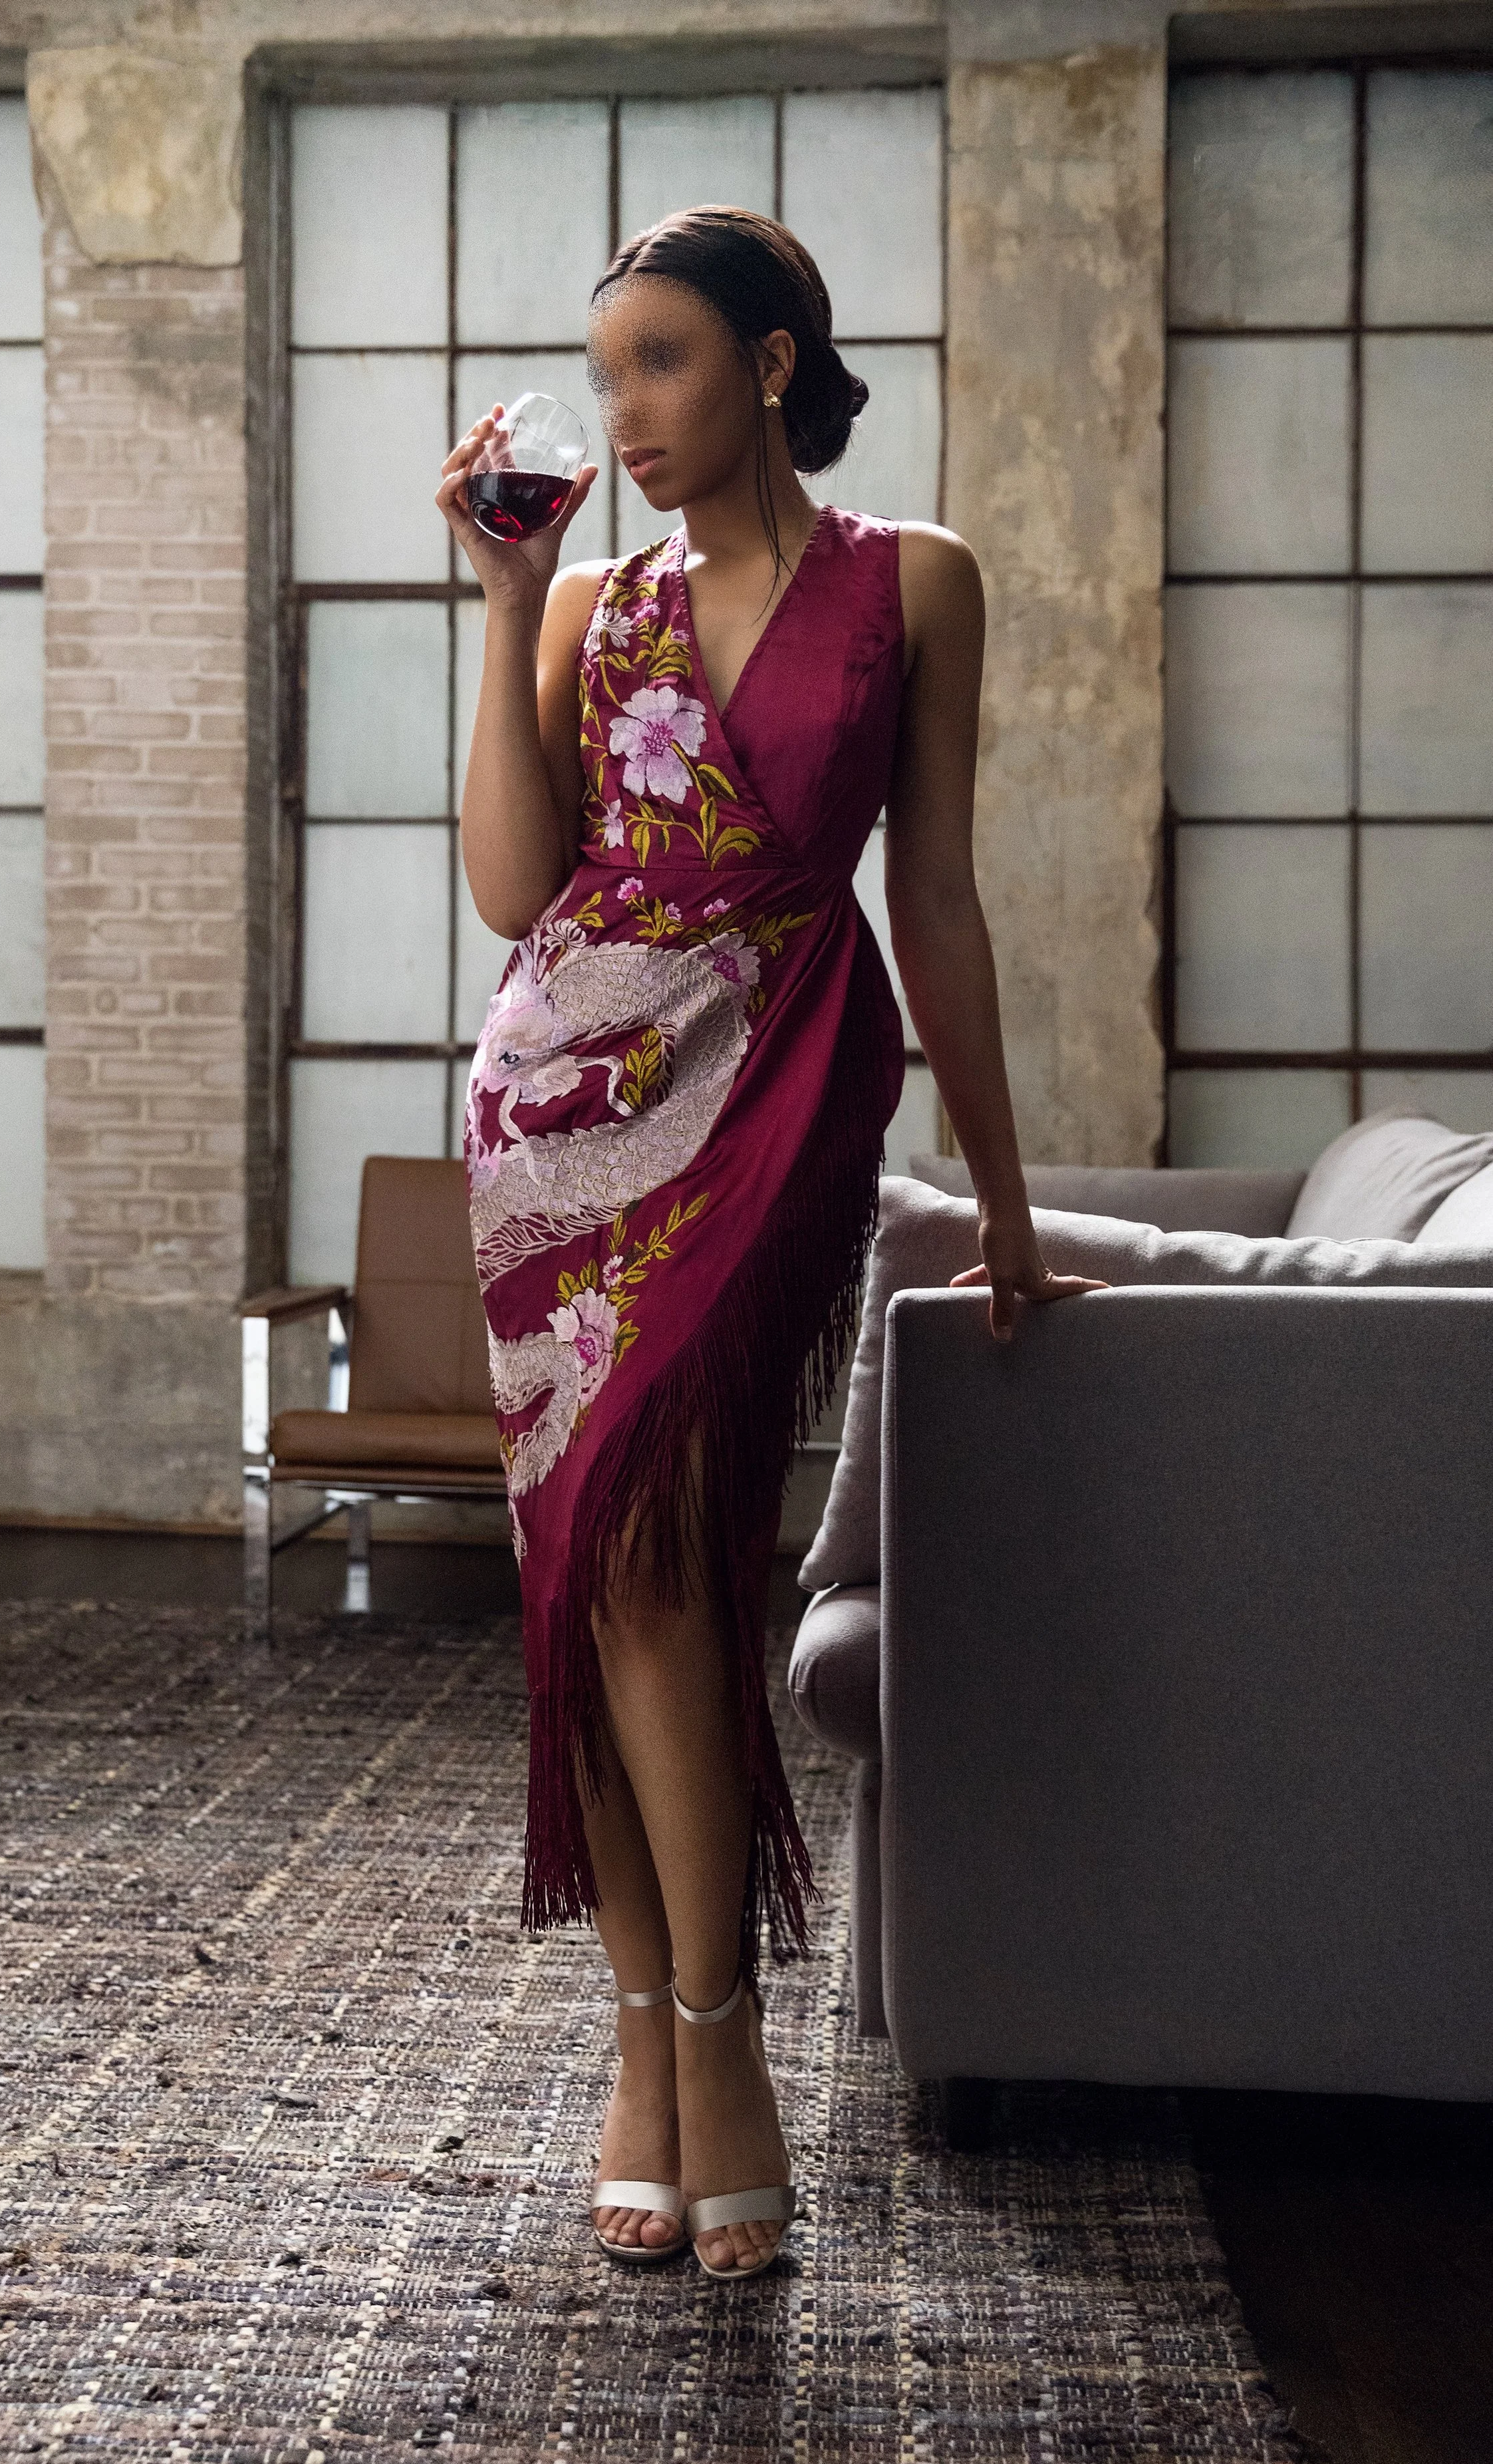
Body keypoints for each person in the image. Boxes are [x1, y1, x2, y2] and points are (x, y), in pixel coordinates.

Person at [436, 206, 1103, 2282]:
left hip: (789, 1080)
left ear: (774, 359)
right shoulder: (591, 602)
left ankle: (701, 2029)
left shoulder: (914, 585)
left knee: (678, 1542)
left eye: (662, 362)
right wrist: (509, 598)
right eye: (602, 366)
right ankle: (669, 2041)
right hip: (559, 1109)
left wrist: (997, 1200)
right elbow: (511, 891)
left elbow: (950, 903)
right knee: (615, 1565)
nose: (624, 408)